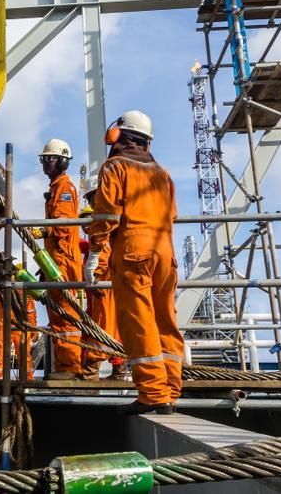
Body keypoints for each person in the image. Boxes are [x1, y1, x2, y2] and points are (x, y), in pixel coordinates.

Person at [85, 110, 184, 414]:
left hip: (133, 250)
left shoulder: (115, 167)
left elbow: (106, 217)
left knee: (139, 323)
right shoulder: (163, 174)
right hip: (165, 252)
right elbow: (173, 215)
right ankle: (170, 390)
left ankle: (153, 394)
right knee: (165, 320)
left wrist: (94, 253)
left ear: (118, 136)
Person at [34, 138, 84, 380]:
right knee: (57, 315)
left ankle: (70, 367)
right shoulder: (56, 188)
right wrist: (45, 267)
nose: (45, 164)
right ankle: (65, 365)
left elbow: (62, 227)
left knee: (65, 314)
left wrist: (45, 231)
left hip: (64, 259)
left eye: (50, 159)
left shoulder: (64, 188)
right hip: (57, 258)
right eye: (44, 159)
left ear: (63, 161)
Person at [78, 195, 120, 381]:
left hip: (101, 285)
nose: (84, 225)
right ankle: (119, 369)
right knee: (110, 326)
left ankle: (91, 372)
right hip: (99, 288)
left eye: (87, 219)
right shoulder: (94, 236)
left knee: (101, 327)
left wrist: (97, 276)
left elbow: (103, 255)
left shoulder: (101, 232)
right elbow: (81, 245)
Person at [0, 289, 38, 380]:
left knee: (24, 354)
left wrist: (33, 328)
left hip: (21, 327)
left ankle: (27, 378)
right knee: (1, 353)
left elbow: (31, 311)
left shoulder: (26, 290)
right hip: (6, 326)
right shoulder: (3, 287)